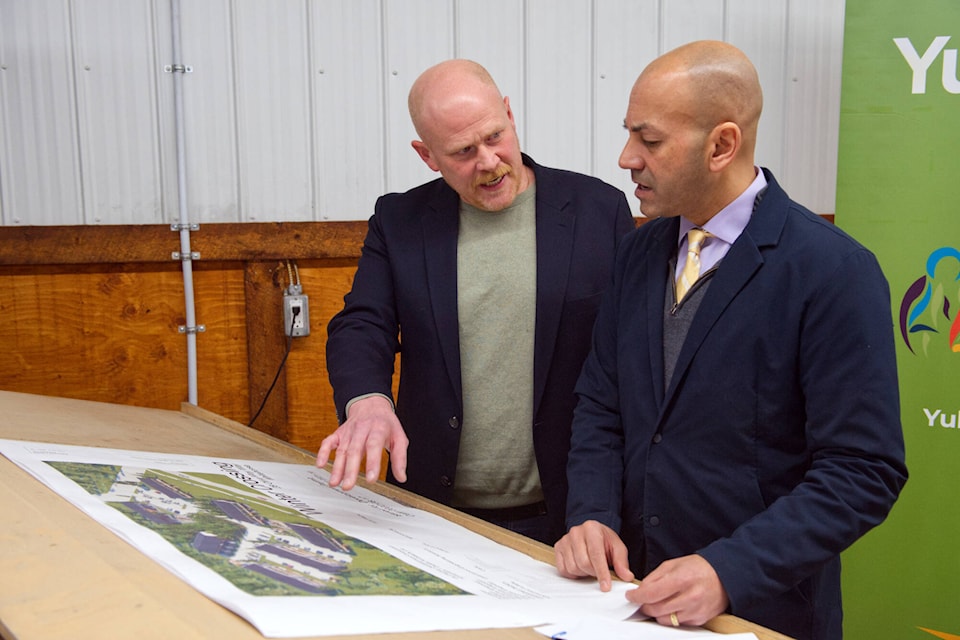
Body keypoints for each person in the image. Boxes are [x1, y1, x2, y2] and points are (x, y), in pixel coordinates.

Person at [553, 40, 907, 639]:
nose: (625, 158)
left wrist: (728, 570)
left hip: (760, 615)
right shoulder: (640, 252)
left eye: (650, 140)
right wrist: (591, 513)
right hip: (627, 606)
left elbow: (863, 470)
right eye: (628, 135)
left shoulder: (832, 270)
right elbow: (601, 405)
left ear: (722, 145)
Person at [318, 59, 634, 545]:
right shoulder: (399, 220)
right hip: (433, 512)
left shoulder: (599, 210)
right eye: (463, 152)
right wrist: (367, 401)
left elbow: (624, 360)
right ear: (427, 156)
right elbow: (362, 323)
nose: (488, 162)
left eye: (494, 137)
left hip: (568, 513)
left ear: (509, 113)